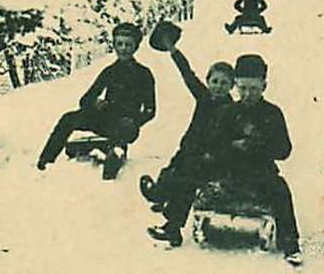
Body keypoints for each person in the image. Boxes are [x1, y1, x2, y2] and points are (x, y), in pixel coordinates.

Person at [143, 30, 235, 248]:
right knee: (171, 171)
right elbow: (187, 74)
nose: (219, 86)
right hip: (189, 151)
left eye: (224, 83)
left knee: (184, 183)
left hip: (208, 160)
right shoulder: (204, 97)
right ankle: (159, 195)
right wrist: (173, 50)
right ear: (208, 81)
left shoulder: (232, 109)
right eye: (215, 81)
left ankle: (172, 228)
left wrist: (211, 155)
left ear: (232, 86)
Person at [37, 22, 156, 172]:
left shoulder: (144, 74)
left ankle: (113, 161)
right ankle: (46, 161)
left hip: (126, 125)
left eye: (128, 44)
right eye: (119, 44)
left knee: (122, 129)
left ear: (136, 47)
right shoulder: (109, 71)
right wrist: (94, 103)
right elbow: (85, 100)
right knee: (68, 118)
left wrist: (135, 121)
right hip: (105, 119)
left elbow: (150, 111)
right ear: (114, 46)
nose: (123, 49)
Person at [220, 53, 302, 266]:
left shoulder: (272, 113)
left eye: (254, 89)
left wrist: (260, 145)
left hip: (260, 171)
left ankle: (290, 243)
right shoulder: (228, 111)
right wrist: (232, 146)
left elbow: (285, 150)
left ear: (264, 86)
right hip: (231, 170)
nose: (248, 94)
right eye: (243, 88)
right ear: (235, 85)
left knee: (280, 190)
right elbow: (215, 143)